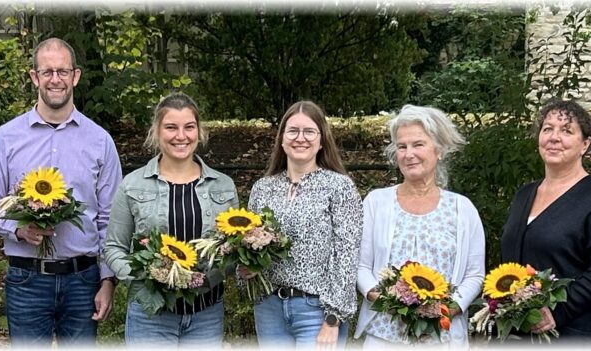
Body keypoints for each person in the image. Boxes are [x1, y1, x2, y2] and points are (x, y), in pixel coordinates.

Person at [0, 37, 122, 347]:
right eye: (47, 72)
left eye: (62, 71)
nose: (55, 79)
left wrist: (108, 280)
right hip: (27, 279)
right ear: (34, 77)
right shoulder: (6, 139)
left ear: (76, 76)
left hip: (83, 280)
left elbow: (111, 218)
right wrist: (18, 229)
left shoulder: (100, 140)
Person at [102, 92, 238, 347]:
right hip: (150, 317)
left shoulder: (223, 186)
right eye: (171, 127)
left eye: (189, 127)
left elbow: (232, 251)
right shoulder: (132, 186)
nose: (181, 136)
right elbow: (113, 247)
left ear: (199, 131)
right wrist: (149, 276)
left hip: (206, 315)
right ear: (157, 131)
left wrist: (210, 276)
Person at [500, 100, 591, 342]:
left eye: (566, 130)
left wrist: (559, 309)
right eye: (547, 128)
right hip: (518, 336)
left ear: (585, 144)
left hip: (573, 333)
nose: (554, 137)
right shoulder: (524, 195)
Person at [354, 105, 485, 348]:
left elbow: (474, 274)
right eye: (401, 147)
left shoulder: (462, 209)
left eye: (418, 144)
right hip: (385, 335)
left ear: (440, 150)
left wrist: (444, 311)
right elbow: (361, 266)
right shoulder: (376, 202)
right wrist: (392, 304)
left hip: (442, 337)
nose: (408, 154)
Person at [247, 101, 361, 349]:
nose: (301, 138)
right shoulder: (263, 188)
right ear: (282, 139)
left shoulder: (339, 187)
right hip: (269, 308)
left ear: (321, 141)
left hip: (317, 311)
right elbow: (247, 242)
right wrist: (245, 268)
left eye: (309, 131)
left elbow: (347, 255)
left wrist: (333, 318)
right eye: (293, 131)